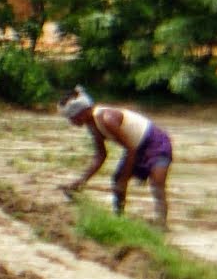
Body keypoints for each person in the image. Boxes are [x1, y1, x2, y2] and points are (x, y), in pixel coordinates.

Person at [57, 85, 173, 229]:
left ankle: (161, 224)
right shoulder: (93, 126)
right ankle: (119, 218)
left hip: (155, 143)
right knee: (117, 180)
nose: (71, 123)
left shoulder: (107, 119)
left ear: (82, 113)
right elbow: (101, 155)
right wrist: (81, 181)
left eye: (72, 118)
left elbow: (130, 149)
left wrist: (124, 177)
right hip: (136, 146)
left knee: (157, 182)